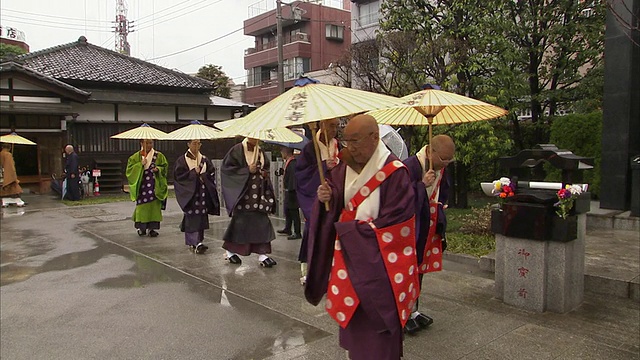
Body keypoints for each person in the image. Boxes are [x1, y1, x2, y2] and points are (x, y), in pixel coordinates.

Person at [305, 114, 419, 360]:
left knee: (379, 329)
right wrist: (327, 197)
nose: (350, 147)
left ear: (375, 137)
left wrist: (350, 233)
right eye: (347, 141)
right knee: (355, 325)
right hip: (349, 259)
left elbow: (397, 225)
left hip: (380, 267)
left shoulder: (396, 172)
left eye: (356, 141)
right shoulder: (343, 168)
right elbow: (335, 203)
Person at [402, 134, 455, 334]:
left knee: (421, 267)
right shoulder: (409, 166)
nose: (446, 163)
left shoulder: (440, 168)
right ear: (430, 151)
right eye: (443, 158)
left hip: (430, 223)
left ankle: (414, 310)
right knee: (409, 268)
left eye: (450, 159)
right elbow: (399, 196)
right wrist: (421, 185)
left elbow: (445, 189)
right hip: (412, 226)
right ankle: (403, 312)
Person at [295, 118, 340, 284]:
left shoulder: (338, 145)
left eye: (336, 125)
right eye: (331, 125)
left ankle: (332, 270)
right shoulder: (309, 148)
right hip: (315, 198)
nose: (335, 129)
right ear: (322, 125)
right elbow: (301, 174)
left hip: (335, 197)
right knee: (314, 233)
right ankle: (308, 272)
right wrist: (322, 165)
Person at [221, 137, 277, 267]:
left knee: (262, 222)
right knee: (240, 224)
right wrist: (246, 170)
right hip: (244, 195)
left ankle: (263, 254)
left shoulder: (260, 151)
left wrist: (264, 173)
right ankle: (229, 251)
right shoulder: (237, 150)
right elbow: (227, 170)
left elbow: (266, 167)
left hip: (259, 194)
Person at [173, 139, 220, 254]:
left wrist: (203, 176)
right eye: (194, 143)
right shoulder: (182, 160)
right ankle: (195, 242)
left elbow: (211, 173)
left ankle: (199, 241)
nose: (196, 146)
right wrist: (193, 173)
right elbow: (179, 177)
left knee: (201, 217)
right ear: (188, 144)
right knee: (192, 216)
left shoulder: (204, 159)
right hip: (190, 194)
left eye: (198, 143)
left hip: (202, 193)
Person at [126, 139, 168, 237]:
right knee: (142, 207)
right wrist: (140, 165)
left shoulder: (159, 156)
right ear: (141, 143)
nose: (149, 145)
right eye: (147, 143)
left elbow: (165, 167)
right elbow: (129, 170)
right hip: (142, 185)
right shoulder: (135, 157)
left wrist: (158, 169)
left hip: (154, 184)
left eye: (151, 143)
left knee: (154, 206)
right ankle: (142, 228)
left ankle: (152, 228)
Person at [276, 146, 301, 240]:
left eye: (282, 151)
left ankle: (297, 232)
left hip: (292, 190)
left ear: (286, 152)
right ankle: (288, 228)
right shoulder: (288, 162)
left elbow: (293, 178)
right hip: (288, 189)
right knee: (287, 210)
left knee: (294, 211)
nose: (281, 153)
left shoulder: (293, 163)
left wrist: (290, 189)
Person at [0, 143, 26, 207]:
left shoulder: (1, 154)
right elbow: (10, 166)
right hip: (7, 174)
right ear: (9, 148)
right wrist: (13, 176)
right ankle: (18, 201)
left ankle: (5, 201)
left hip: (1, 173)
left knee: (4, 189)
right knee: (14, 188)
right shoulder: (8, 155)